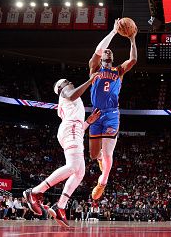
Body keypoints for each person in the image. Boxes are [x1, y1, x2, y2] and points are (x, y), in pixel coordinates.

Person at [23, 76, 101, 228]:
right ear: (62, 86)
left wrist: (88, 122)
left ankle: (60, 206)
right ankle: (35, 191)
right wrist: (91, 80)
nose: (71, 82)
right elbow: (72, 95)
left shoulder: (68, 100)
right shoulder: (66, 92)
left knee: (80, 172)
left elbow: (76, 119)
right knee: (72, 167)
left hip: (75, 129)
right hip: (71, 129)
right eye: (68, 82)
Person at [88, 18, 137, 200]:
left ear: (112, 59)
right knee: (94, 155)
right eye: (105, 52)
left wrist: (132, 38)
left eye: (110, 53)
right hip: (95, 114)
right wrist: (114, 32)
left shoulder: (118, 71)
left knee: (108, 153)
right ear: (102, 58)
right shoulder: (94, 69)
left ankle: (103, 182)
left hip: (111, 115)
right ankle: (100, 159)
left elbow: (133, 59)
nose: (107, 52)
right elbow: (98, 50)